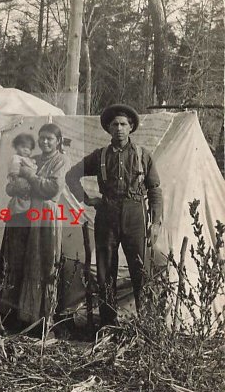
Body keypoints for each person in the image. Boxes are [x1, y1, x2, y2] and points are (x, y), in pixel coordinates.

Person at [66, 104, 162, 326]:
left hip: (135, 215)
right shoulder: (99, 156)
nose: (119, 128)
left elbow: (155, 189)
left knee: (140, 269)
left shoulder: (143, 156)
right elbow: (72, 175)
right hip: (107, 215)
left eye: (123, 124)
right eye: (114, 124)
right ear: (108, 129)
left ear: (131, 128)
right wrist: (88, 199)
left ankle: (146, 323)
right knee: (105, 270)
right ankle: (109, 323)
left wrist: (155, 222)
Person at [16, 123, 68, 327]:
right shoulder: (35, 159)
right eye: (42, 138)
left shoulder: (61, 160)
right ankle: (28, 315)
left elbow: (52, 189)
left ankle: (47, 318)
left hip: (47, 213)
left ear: (58, 141)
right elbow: (16, 185)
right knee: (31, 260)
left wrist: (30, 176)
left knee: (46, 260)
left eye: (50, 139)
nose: (45, 142)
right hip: (30, 212)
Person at [0, 133, 36, 323]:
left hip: (31, 212)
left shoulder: (32, 161)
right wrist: (16, 181)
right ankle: (9, 311)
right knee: (14, 261)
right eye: (22, 147)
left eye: (29, 147)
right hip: (19, 213)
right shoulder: (17, 160)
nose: (25, 150)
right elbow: (13, 180)